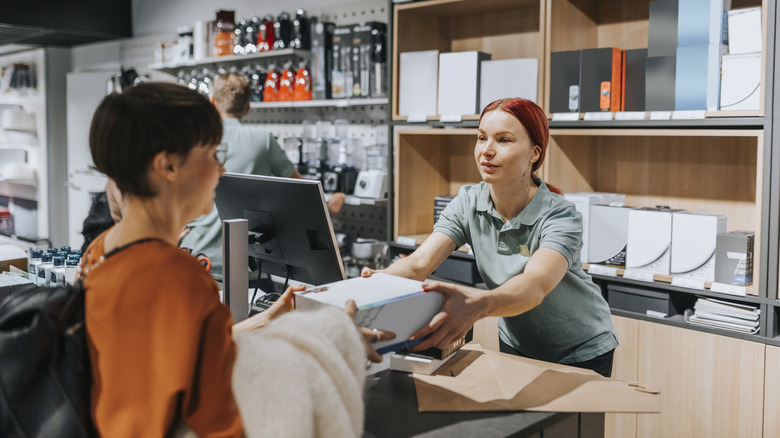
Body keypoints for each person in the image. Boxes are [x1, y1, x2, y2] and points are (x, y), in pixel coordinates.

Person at [81, 82, 393, 436]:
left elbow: (188, 363)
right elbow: (223, 416)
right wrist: (334, 337)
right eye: (212, 155)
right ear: (167, 166)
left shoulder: (102, 250)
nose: (222, 170)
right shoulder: (173, 276)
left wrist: (272, 321)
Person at [363, 98, 617, 377]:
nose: (486, 151)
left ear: (534, 153)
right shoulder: (468, 202)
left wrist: (477, 305)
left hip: (579, 349)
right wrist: (371, 286)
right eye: (481, 138)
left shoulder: (561, 216)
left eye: (503, 140)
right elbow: (418, 263)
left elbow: (536, 285)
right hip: (516, 341)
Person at [179, 72, 345, 288]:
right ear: (247, 108)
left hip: (197, 256)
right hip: (245, 262)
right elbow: (304, 193)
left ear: (212, 102)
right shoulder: (262, 140)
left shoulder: (194, 138)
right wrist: (332, 204)